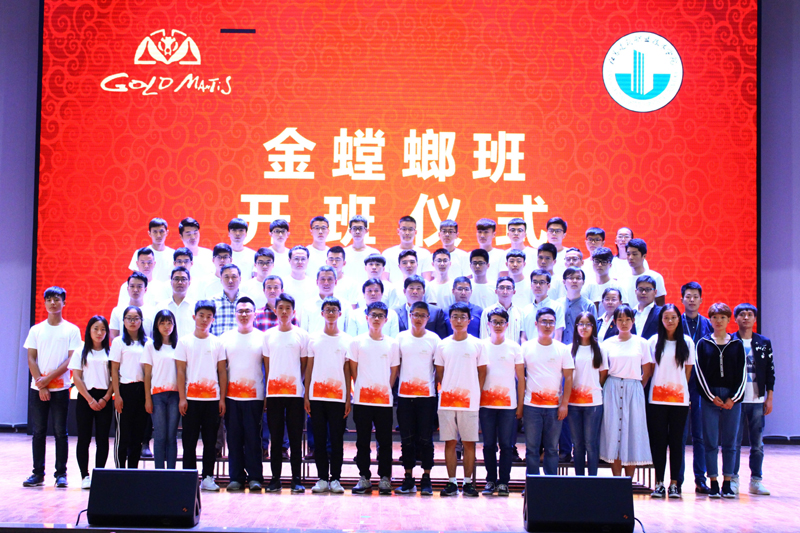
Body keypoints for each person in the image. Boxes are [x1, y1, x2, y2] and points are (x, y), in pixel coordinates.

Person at [23, 287, 82, 488]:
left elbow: (71, 360)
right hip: (38, 388)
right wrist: (40, 383)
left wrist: (47, 380)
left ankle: (61, 474)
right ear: (45, 303)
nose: (53, 303)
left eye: (56, 299)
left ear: (64, 302)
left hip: (61, 388)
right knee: (39, 431)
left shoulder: (72, 330)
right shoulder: (36, 330)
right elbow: (31, 358)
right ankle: (38, 473)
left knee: (60, 432)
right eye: (49, 299)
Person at [435, 302, 488, 497]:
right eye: (455, 317)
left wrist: (475, 393)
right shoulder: (442, 344)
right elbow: (439, 373)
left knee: (469, 443)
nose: (458, 320)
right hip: (447, 402)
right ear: (450, 320)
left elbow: (482, 372)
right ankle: (451, 483)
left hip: (470, 402)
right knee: (450, 442)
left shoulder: (478, 344)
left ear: (469, 320)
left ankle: (467, 483)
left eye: (462, 317)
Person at [695, 303, 746, 498]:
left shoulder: (737, 344)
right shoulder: (703, 343)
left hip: (732, 398)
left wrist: (733, 398)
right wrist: (710, 396)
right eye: (715, 317)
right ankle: (714, 482)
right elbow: (699, 373)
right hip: (710, 398)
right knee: (710, 440)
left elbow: (742, 374)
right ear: (710, 320)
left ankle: (728, 482)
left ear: (728, 320)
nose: (718, 321)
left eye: (722, 317)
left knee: (730, 441)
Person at [349, 302, 400, 495]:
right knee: (362, 440)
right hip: (362, 400)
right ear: (366, 318)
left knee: (385, 441)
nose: (376, 318)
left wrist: (385, 388)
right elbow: (353, 370)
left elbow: (394, 371)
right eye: (373, 315)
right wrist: (362, 387)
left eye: (380, 315)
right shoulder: (357, 342)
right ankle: (364, 476)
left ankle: (385, 477)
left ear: (386, 319)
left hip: (384, 401)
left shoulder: (392, 343)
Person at [176, 300, 227, 492]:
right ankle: (189, 477)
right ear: (194, 317)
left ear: (213, 319)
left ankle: (208, 477)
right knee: (189, 441)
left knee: (210, 441)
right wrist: (182, 398)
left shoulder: (217, 342)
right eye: (201, 316)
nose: (204, 320)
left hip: (212, 401)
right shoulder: (184, 342)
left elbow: (222, 372)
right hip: (190, 400)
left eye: (208, 316)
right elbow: (181, 371)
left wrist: (222, 399)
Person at [646, 305, 695, 498]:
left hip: (679, 401)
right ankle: (659, 483)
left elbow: (688, 372)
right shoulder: (653, 341)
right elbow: (650, 370)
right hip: (656, 400)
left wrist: (678, 390)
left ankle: (674, 484)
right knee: (658, 442)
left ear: (679, 319)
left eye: (673, 317)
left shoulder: (687, 342)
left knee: (676, 442)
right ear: (661, 320)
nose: (670, 321)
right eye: (666, 317)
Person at [599, 304, 653, 476]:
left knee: (633, 432)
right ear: (614, 322)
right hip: (612, 388)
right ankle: (617, 481)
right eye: (620, 320)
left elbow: (647, 371)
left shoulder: (642, 343)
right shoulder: (607, 344)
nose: (624, 323)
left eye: (627, 319)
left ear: (633, 321)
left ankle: (628, 480)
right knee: (613, 431)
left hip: (634, 389)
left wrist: (636, 388)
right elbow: (604, 371)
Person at [305, 297, 352, 494]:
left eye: (334, 310)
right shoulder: (313, 339)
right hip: (316, 398)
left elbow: (348, 371)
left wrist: (348, 398)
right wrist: (307, 395)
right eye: (327, 310)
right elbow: (309, 368)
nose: (331, 313)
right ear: (322, 313)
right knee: (319, 440)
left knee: (337, 440)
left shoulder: (348, 340)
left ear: (340, 314)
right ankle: (322, 478)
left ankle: (336, 479)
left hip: (338, 398)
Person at [263, 294, 308, 493]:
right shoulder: (268, 335)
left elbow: (304, 365)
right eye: (280, 308)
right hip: (274, 395)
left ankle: (296, 479)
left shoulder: (302, 335)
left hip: (295, 395)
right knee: (276, 437)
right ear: (275, 310)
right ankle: (275, 479)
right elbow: (267, 366)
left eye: (288, 308)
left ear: (293, 312)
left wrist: (296, 383)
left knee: (296, 437)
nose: (284, 311)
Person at [521, 307, 574, 476]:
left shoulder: (562, 349)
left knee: (552, 448)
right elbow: (519, 375)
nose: (547, 325)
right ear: (536, 324)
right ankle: (533, 484)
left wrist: (564, 404)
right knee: (532, 448)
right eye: (544, 321)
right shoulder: (526, 347)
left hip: (554, 407)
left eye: (551, 322)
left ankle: (550, 484)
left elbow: (569, 378)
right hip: (531, 406)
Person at [395, 302, 440, 496]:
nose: (419, 318)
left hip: (427, 397)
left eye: (423, 315)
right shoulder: (400, 338)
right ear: (410, 316)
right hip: (405, 397)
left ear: (428, 318)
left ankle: (426, 478)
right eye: (415, 314)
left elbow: (438, 368)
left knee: (426, 439)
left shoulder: (434, 339)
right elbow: (396, 365)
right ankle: (408, 477)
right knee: (406, 439)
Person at [221, 297, 266, 492]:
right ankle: (236, 477)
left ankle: (255, 477)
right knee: (234, 439)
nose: (244, 314)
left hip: (255, 397)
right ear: (235, 314)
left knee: (253, 438)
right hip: (231, 397)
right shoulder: (225, 338)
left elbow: (268, 368)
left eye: (248, 311)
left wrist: (267, 395)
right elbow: (221, 369)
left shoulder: (263, 338)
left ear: (255, 314)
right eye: (240, 311)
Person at [479, 308, 524, 496]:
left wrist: (520, 405)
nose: (497, 325)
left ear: (507, 325)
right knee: (489, 445)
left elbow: (521, 379)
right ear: (488, 324)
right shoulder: (481, 346)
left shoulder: (514, 347)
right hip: (485, 405)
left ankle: (504, 482)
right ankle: (490, 480)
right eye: (494, 322)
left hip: (508, 406)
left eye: (501, 322)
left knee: (506, 445)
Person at [731, 303, 774, 496]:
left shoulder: (763, 342)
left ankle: (756, 481)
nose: (746, 317)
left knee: (757, 444)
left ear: (755, 319)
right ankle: (732, 480)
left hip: (757, 399)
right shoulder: (731, 341)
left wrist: (769, 397)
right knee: (734, 442)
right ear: (736, 318)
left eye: (750, 314)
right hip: (736, 399)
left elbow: (770, 372)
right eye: (742, 314)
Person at [252, 274, 293, 461]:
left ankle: (283, 446)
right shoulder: (257, 314)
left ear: (281, 290)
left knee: (283, 410)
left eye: (276, 287)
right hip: (261, 364)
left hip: (283, 366)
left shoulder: (290, 314)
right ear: (263, 290)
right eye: (269, 287)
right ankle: (263, 445)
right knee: (265, 407)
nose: (272, 290)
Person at [69, 315, 112, 489]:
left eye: (103, 329)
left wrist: (106, 398)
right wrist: (89, 399)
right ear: (89, 330)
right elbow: (77, 377)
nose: (99, 332)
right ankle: (84, 476)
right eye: (96, 329)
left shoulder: (110, 352)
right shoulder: (81, 351)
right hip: (85, 398)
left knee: (102, 439)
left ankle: (99, 473)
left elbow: (114, 379)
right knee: (84, 438)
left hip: (105, 399)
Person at [679, 281, 713, 494]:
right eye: (688, 296)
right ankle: (677, 480)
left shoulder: (708, 324)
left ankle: (701, 479)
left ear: (701, 300)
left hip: (701, 384)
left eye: (695, 297)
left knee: (700, 435)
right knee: (680, 435)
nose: (691, 300)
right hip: (679, 382)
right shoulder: (675, 323)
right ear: (682, 299)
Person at [567, 313, 608, 476]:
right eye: (581, 324)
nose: (584, 327)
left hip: (593, 404)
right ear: (576, 327)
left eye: (588, 324)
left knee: (591, 443)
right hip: (573, 403)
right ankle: (579, 480)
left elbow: (603, 374)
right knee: (577, 444)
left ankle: (592, 480)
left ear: (593, 327)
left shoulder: (600, 348)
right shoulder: (569, 349)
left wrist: (593, 388)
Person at [110, 305, 149, 469]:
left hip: (143, 391)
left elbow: (149, 372)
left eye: (136, 318)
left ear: (141, 321)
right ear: (123, 321)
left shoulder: (148, 343)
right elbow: (114, 370)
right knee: (123, 435)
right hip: (125, 391)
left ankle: (133, 471)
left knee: (137, 435)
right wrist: (117, 395)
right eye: (129, 318)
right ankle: (120, 470)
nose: (132, 322)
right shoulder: (118, 342)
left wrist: (147, 397)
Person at [142, 310, 180, 470]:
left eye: (169, 322)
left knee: (171, 436)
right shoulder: (150, 346)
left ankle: (171, 473)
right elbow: (147, 374)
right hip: (157, 395)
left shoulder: (179, 345)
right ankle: (159, 473)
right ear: (156, 326)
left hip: (175, 395)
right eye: (162, 323)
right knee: (160, 436)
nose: (166, 326)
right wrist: (147, 398)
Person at [300, 266, 353, 335]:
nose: (326, 283)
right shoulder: (307, 305)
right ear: (317, 282)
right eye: (323, 279)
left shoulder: (345, 305)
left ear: (336, 282)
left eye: (330, 279)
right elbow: (303, 332)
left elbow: (349, 332)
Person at [382, 216, 433, 282]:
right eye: (404, 229)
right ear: (398, 231)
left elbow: (426, 279)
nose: (407, 233)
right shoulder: (387, 253)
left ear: (415, 232)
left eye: (410, 229)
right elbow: (384, 280)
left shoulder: (425, 254)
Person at [522, 269, 565, 342]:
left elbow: (558, 337)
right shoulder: (526, 309)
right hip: (529, 349)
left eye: (542, 282)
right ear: (531, 286)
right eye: (535, 282)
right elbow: (523, 337)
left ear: (548, 286)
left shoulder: (557, 307)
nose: (538, 285)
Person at [479, 276, 525, 343]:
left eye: (508, 288)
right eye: (502, 288)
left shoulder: (520, 312)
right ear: (496, 291)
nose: (505, 292)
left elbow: (522, 338)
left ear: (514, 292)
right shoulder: (487, 312)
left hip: (514, 349)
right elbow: (484, 338)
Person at [110, 272, 154, 343]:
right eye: (132, 286)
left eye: (139, 286)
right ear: (128, 289)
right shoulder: (117, 311)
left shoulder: (153, 311)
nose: (135, 290)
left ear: (145, 290)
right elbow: (114, 337)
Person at [126, 217, 174, 282]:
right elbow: (136, 279)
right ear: (149, 233)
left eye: (161, 231)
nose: (158, 235)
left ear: (167, 233)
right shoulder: (140, 253)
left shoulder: (173, 254)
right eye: (155, 232)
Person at [156, 267, 196, 339]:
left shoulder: (195, 307)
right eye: (176, 279)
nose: (180, 282)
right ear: (171, 282)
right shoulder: (161, 307)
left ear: (189, 283)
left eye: (183, 279)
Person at [559, 267, 596, 345]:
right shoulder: (557, 305)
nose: (575, 281)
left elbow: (594, 332)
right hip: (560, 349)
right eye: (571, 278)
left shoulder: (589, 306)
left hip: (581, 348)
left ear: (583, 282)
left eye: (578, 278)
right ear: (564, 282)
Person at [623, 239, 666, 307]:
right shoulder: (623, 278)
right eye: (628, 254)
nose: (630, 257)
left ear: (644, 256)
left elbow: (660, 304)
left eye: (634, 254)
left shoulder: (655, 277)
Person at [342, 215, 380, 285]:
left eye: (360, 228)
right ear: (350, 231)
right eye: (354, 228)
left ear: (366, 230)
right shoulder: (343, 253)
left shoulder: (374, 253)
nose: (357, 231)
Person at [209, 264, 243, 337]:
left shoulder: (247, 301)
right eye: (226, 277)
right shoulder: (212, 302)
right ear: (221, 280)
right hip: (218, 343)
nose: (230, 281)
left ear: (240, 279)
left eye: (234, 277)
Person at [585, 247, 621, 312]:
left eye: (604, 262)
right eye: (597, 261)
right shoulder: (588, 286)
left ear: (610, 265)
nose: (599, 265)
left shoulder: (617, 286)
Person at [475, 218, 505, 285]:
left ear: (494, 234)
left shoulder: (501, 255)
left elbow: (503, 281)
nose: (482, 236)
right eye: (479, 232)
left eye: (486, 232)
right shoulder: (469, 255)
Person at [633, 275, 662, 339]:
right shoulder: (630, 313)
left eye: (648, 289)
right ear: (636, 292)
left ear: (655, 292)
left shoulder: (661, 313)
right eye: (640, 289)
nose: (643, 292)